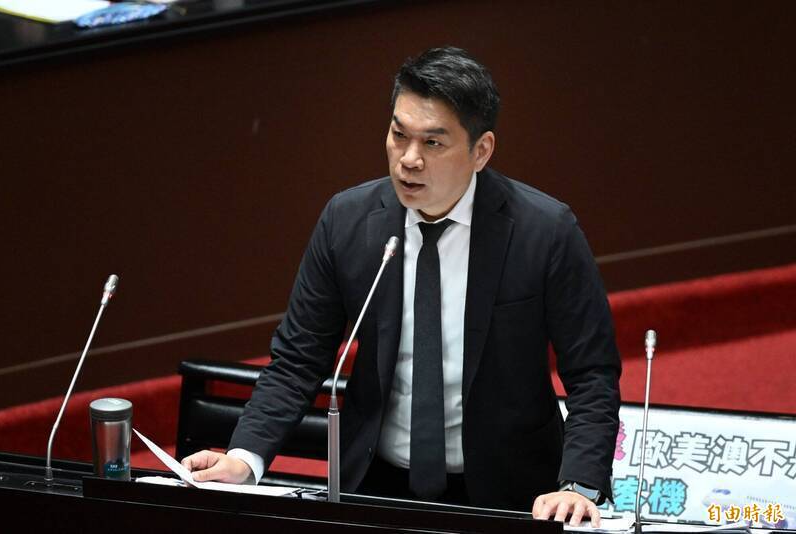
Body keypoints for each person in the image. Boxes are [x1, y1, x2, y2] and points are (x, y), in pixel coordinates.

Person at [183, 46, 621, 527]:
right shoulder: (348, 222)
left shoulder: (545, 232)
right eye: (399, 135)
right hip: (375, 484)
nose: (408, 160)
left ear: (481, 151)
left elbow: (592, 374)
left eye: (433, 143)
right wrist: (244, 456)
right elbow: (298, 359)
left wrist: (578, 486)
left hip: (511, 492)